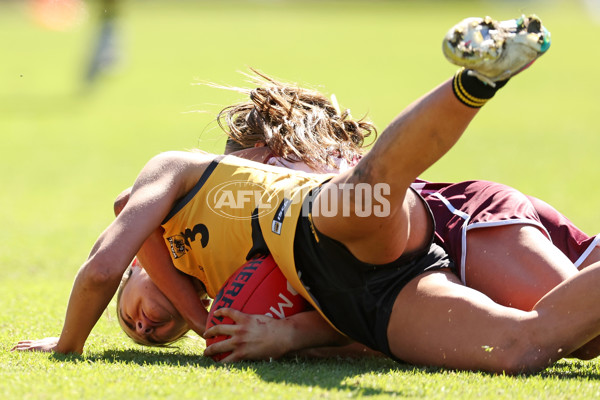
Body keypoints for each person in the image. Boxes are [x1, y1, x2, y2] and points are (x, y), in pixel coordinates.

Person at [15, 15, 597, 375]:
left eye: (126, 314)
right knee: (525, 346)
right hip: (374, 303)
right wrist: (269, 336)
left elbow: (107, 258)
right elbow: (335, 333)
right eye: (143, 336)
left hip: (311, 224)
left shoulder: (178, 173)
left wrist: (67, 345)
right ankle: (473, 84)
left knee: (369, 190)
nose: (141, 329)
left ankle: (473, 82)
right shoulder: (232, 299)